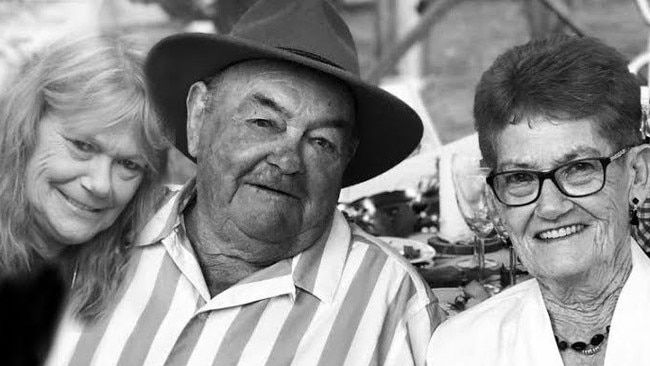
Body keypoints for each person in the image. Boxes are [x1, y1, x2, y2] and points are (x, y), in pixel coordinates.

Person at [47, 1, 444, 365]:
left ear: (346, 159)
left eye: (322, 142)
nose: (288, 160)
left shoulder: (390, 306)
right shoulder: (94, 231)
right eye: (262, 122)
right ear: (199, 116)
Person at [426, 35, 650, 366]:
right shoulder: (459, 350)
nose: (550, 207)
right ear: (496, 200)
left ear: (638, 174)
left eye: (578, 169)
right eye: (520, 177)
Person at [0, 33, 168, 365]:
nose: (100, 185)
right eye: (83, 146)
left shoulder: (121, 285)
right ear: (26, 129)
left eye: (128, 165)